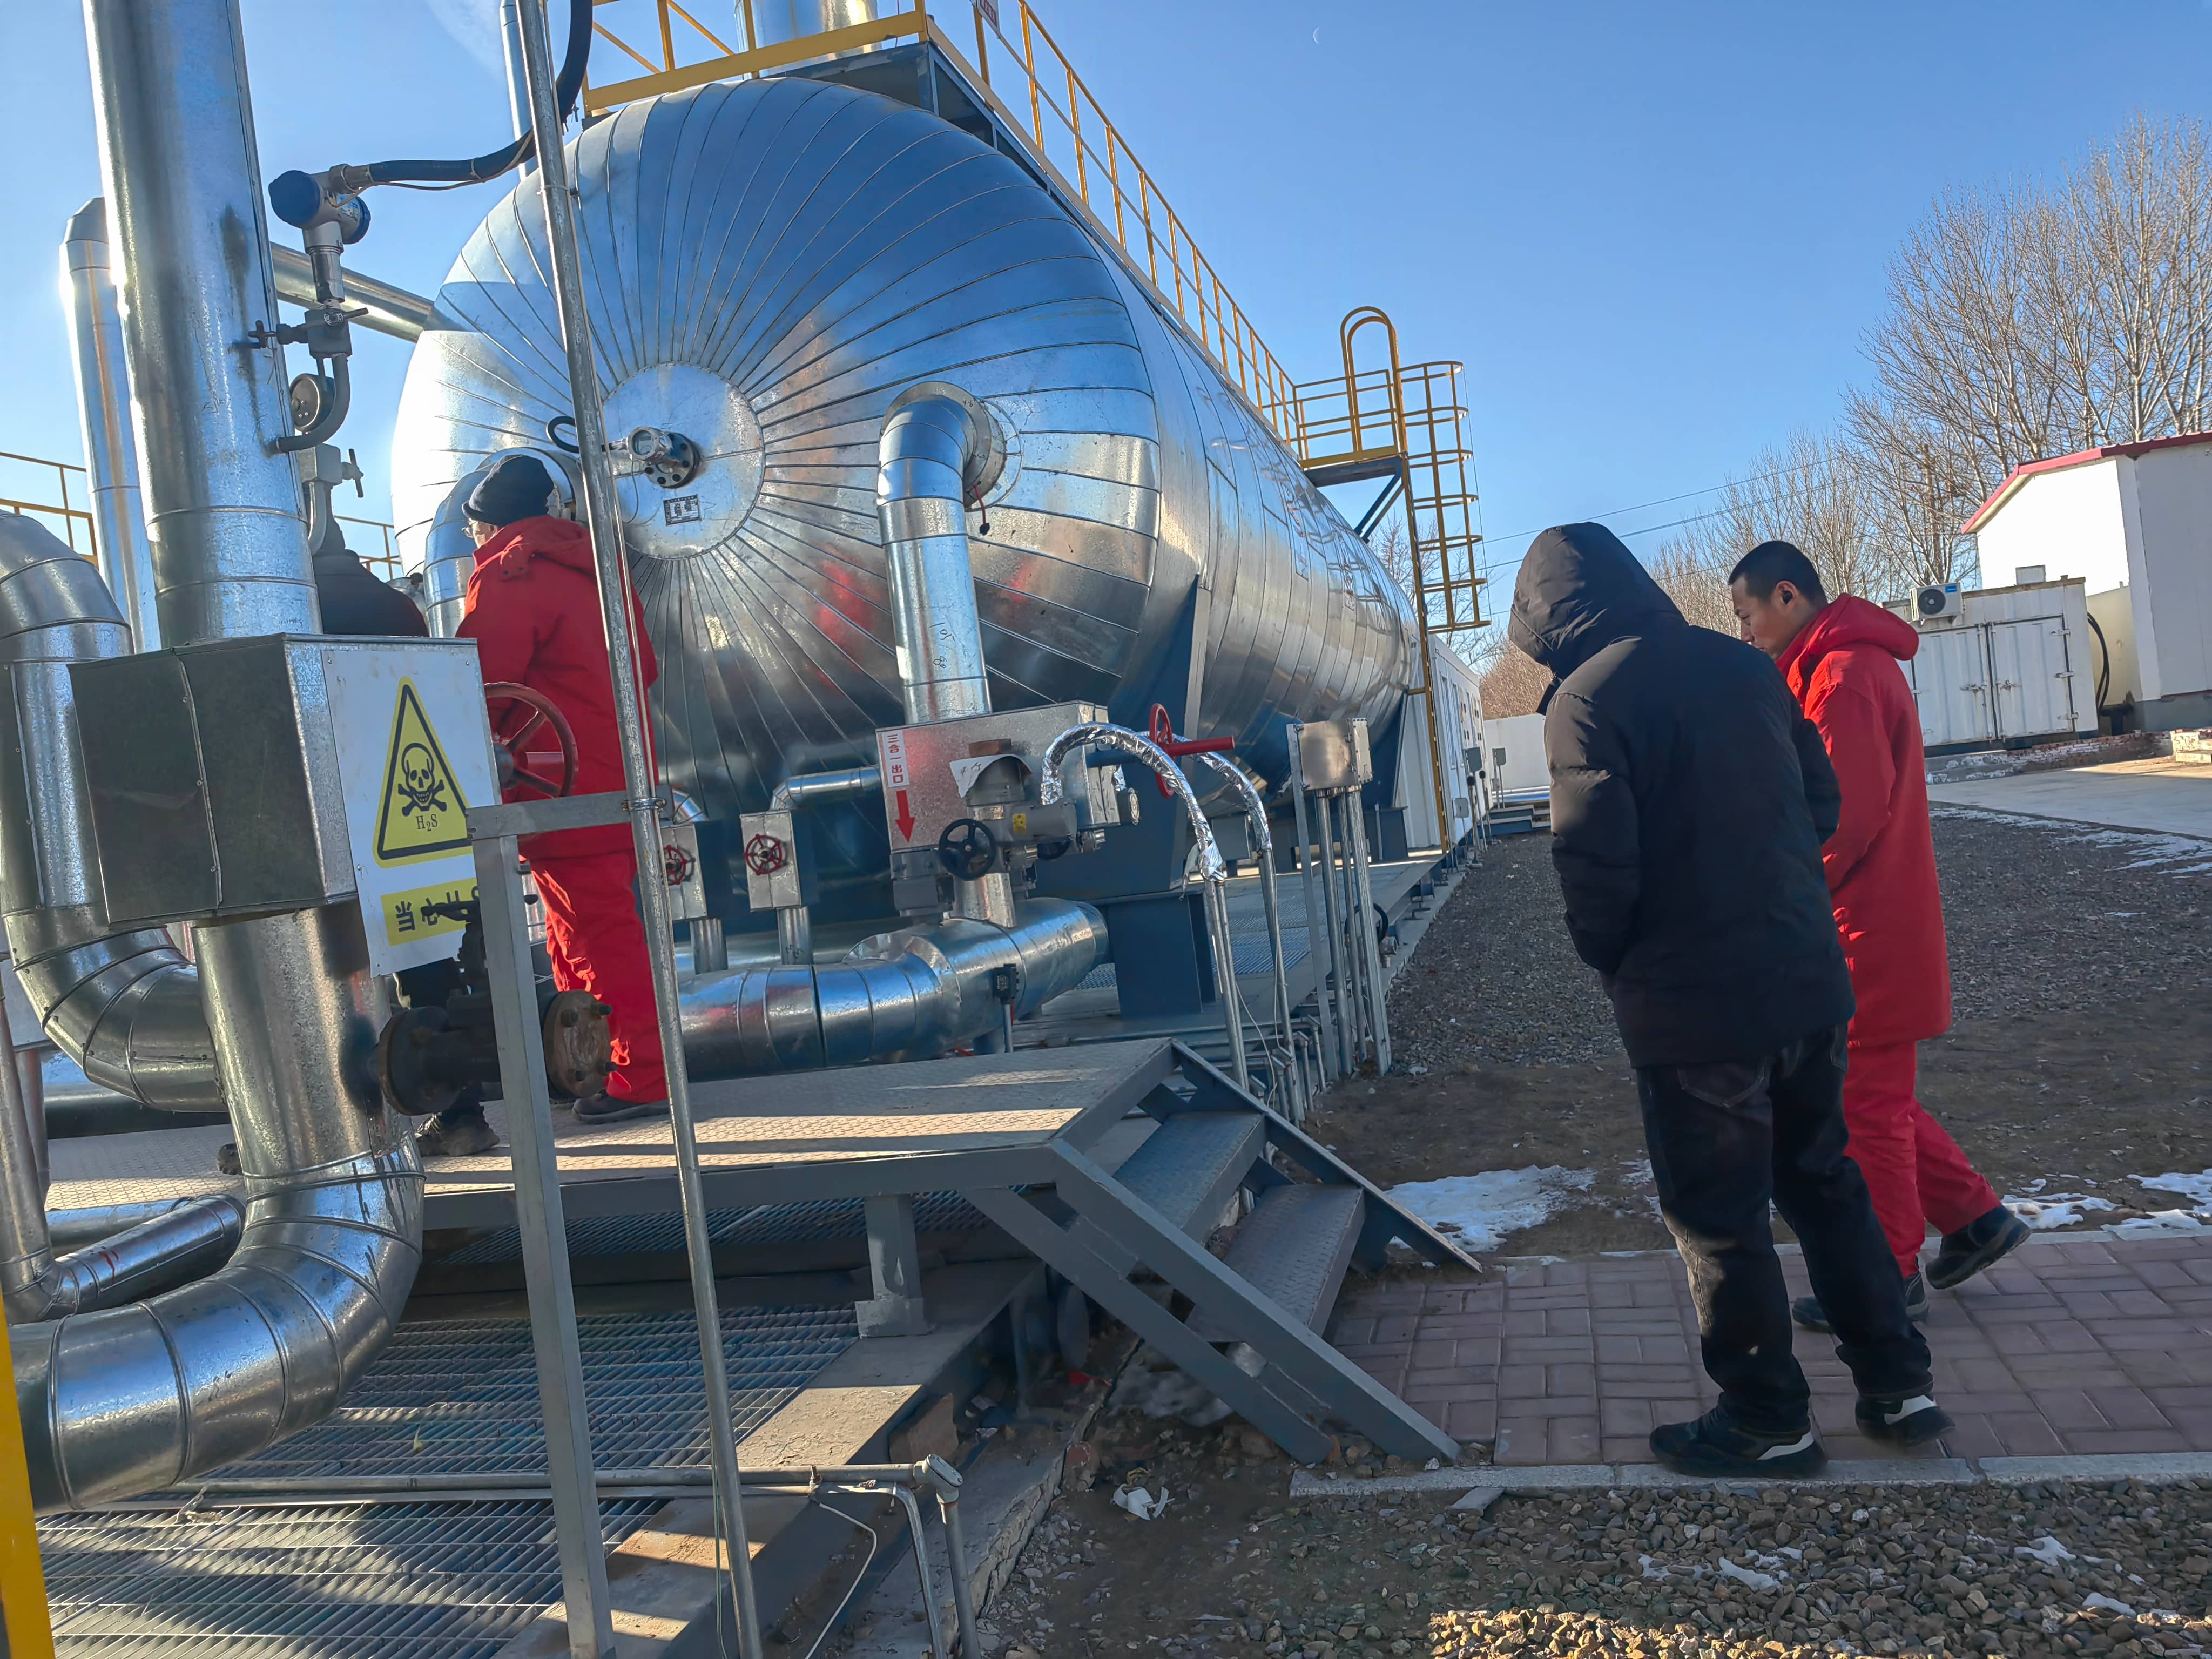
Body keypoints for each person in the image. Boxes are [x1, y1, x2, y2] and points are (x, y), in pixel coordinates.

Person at [1511, 522, 1951, 1475]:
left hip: (1693, 1008)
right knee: (1826, 1183)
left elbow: (1593, 863)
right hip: (1806, 979)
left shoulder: (1585, 699)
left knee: (1720, 1216)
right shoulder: (1747, 667)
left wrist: (1617, 961)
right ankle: (1899, 1384)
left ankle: (1766, 1419)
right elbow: (1823, 802)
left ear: (1549, 622)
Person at [1729, 541, 2028, 1326]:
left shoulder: (1846, 676)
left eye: (1747, 614)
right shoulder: (1836, 669)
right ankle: (1975, 1218)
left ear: (1787, 596)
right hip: (1868, 923)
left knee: (1865, 1109)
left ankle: (1888, 1282)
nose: (1746, 631)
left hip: (1863, 930)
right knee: (1873, 1097)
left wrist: (1785, 898)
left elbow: (1844, 818)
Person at [457, 452, 668, 1125]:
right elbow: (646, 667)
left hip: (559, 786)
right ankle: (591, 1065)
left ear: (488, 525)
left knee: (594, 936)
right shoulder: (598, 572)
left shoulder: (510, 573)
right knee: (580, 928)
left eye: (473, 531)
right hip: (620, 779)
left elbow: (480, 686)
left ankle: (640, 1075)